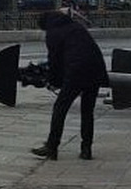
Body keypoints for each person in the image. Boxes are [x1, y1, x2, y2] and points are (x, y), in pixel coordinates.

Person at [31, 11, 108, 161]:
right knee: (87, 111)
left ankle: (52, 147)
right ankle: (86, 149)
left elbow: (54, 61)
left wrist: (53, 82)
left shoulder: (53, 33)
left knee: (60, 108)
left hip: (76, 71)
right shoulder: (76, 27)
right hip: (95, 69)